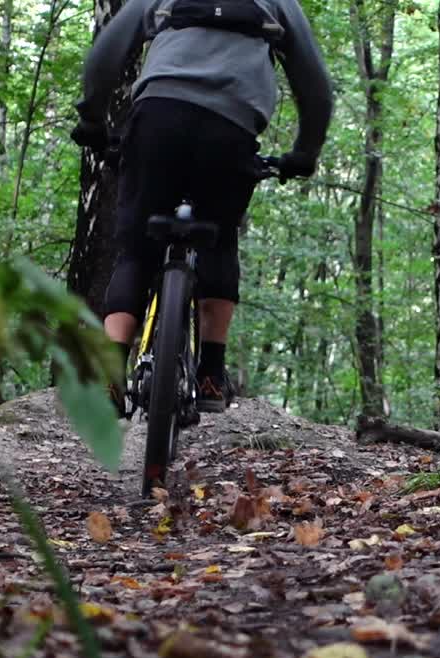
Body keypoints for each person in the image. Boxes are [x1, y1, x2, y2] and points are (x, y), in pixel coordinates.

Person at [71, 0, 333, 414]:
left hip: (158, 116)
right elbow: (315, 85)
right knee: (218, 242)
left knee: (138, 250)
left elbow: (108, 51)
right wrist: (304, 151)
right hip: (231, 129)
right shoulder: (278, 4)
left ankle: (109, 374)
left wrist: (92, 119)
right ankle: (210, 375)